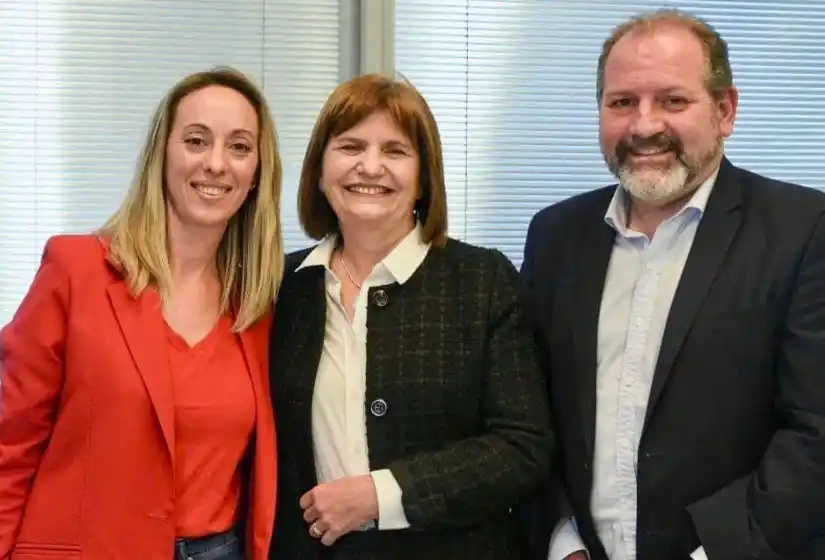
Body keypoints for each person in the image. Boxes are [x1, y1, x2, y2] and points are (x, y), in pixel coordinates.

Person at [521, 8, 825, 560]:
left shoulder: (804, 231)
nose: (644, 126)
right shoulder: (556, 236)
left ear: (725, 110)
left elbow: (816, 433)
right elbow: (532, 414)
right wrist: (563, 538)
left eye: (673, 100)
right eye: (621, 103)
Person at [0, 67, 283, 560]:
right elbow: (11, 445)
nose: (216, 163)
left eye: (239, 147)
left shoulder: (259, 305)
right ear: (162, 154)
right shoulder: (77, 270)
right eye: (196, 140)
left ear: (257, 171)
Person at [268, 73, 554, 559]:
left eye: (396, 151)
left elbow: (523, 447)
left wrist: (382, 494)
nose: (370, 166)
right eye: (350, 146)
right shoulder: (283, 287)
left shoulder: (482, 280)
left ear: (424, 177)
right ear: (320, 170)